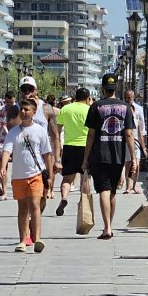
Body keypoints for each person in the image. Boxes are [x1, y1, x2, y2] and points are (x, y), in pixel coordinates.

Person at [82, 74, 136, 240]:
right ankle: (109, 226)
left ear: (103, 88)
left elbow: (91, 135)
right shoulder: (125, 107)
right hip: (118, 156)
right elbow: (129, 134)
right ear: (116, 88)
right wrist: (133, 157)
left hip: (99, 155)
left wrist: (85, 158)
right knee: (112, 191)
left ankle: (106, 228)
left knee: (104, 190)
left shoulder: (96, 106)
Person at [0, 99, 52, 253]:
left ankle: (38, 239)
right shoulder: (14, 132)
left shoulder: (40, 131)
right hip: (18, 176)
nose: (23, 112)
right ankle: (22, 240)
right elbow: (7, 150)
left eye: (27, 110)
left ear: (34, 112)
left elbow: (47, 154)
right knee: (22, 208)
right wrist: (2, 166)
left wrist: (49, 174)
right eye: (22, 109)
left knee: (35, 205)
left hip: (35, 173)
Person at [8, 76, 61, 203]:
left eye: (30, 89)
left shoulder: (46, 108)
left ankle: (35, 216)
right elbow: (11, 129)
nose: (27, 92)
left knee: (43, 194)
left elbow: (55, 135)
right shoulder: (15, 109)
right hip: (23, 156)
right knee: (26, 200)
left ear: (35, 90)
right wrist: (23, 111)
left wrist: (57, 159)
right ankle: (31, 219)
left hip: (43, 155)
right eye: (24, 89)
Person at [55, 87, 92, 216]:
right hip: (85, 147)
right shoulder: (90, 110)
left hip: (69, 146)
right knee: (85, 177)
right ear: (87, 98)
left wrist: (58, 151)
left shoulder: (65, 109)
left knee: (67, 178)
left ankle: (64, 197)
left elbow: (57, 132)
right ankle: (83, 203)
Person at [0, 91, 19, 199]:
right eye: (7, 102)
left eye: (11, 102)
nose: (9, 104)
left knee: (18, 165)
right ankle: (4, 192)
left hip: (17, 140)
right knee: (3, 166)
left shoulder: (19, 110)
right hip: (3, 141)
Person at [122, 89, 147, 194]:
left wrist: (144, 147)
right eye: (126, 98)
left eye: (129, 97)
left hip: (136, 141)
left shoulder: (139, 109)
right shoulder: (122, 108)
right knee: (127, 164)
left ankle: (134, 186)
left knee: (137, 164)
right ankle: (127, 187)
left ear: (133, 97)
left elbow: (142, 130)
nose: (128, 99)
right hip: (126, 142)